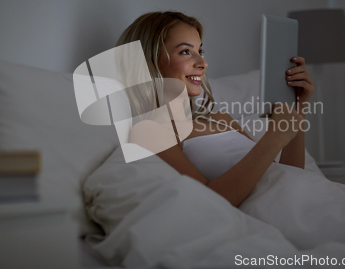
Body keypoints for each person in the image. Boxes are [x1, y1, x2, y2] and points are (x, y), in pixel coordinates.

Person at [116, 11, 315, 207]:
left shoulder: (221, 119)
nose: (203, 63)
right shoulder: (150, 130)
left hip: (309, 200)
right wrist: (275, 138)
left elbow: (288, 179)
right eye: (186, 52)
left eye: (200, 51)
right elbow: (209, 202)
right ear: (149, 62)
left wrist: (297, 106)